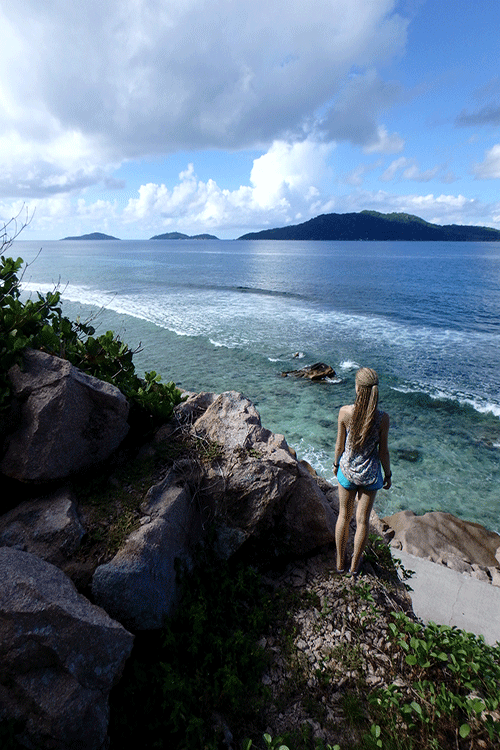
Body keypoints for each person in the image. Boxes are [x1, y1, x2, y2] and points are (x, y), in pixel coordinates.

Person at [333, 367, 391, 575]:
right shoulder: (382, 418)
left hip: (347, 471)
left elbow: (340, 446)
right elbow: (383, 452)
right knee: (362, 521)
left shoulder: (345, 412)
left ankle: (340, 564)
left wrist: (335, 464)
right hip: (370, 475)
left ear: (358, 388)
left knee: (343, 517)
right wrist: (388, 474)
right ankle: (354, 568)